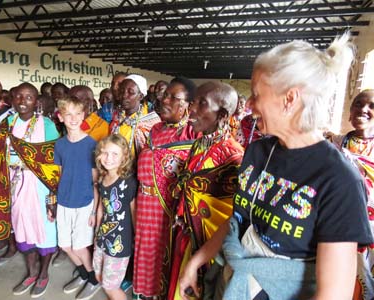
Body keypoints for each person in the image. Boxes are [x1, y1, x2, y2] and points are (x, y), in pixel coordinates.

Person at [179, 34, 373, 300]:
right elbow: (237, 220)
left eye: (257, 95)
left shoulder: (339, 180)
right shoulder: (259, 152)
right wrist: (196, 261)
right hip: (238, 284)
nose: (248, 105)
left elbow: (333, 294)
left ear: (289, 99)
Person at [168, 81, 244, 300]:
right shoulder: (200, 143)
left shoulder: (233, 156)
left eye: (202, 103)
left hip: (212, 252)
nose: (191, 109)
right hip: (188, 241)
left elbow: (233, 218)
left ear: (222, 114)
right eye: (193, 102)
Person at [133, 77, 199, 299]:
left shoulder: (192, 134)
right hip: (145, 203)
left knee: (164, 254)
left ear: (188, 105)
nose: (165, 100)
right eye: (165, 95)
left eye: (173, 97)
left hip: (168, 209)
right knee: (145, 251)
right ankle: (145, 293)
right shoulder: (156, 128)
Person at [0, 83, 60, 297]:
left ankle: (43, 274)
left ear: (36, 101)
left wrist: (54, 194)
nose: (23, 101)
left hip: (40, 185)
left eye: (29, 97)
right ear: (12, 99)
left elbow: (54, 160)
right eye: (19, 97)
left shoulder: (46, 124)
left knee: (44, 229)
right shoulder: (7, 124)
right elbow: (1, 157)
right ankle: (31, 272)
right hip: (14, 184)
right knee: (21, 228)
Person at [54, 96, 100, 300]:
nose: (73, 118)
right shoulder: (60, 145)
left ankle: (93, 280)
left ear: (83, 116)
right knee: (65, 245)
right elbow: (60, 174)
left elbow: (96, 181)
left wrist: (94, 210)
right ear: (60, 117)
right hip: (64, 201)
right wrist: (53, 204)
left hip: (84, 202)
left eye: (78, 114)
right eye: (68, 114)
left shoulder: (91, 144)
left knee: (80, 246)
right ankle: (83, 274)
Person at [330, 89, 374, 300]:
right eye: (358, 104)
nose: (363, 109)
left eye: (371, 106)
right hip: (337, 226)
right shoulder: (334, 145)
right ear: (350, 110)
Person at [93, 134, 137, 300]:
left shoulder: (129, 182)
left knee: (110, 286)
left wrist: (136, 239)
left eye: (115, 154)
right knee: (99, 276)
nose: (108, 158)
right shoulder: (103, 177)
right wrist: (97, 232)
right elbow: (102, 208)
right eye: (105, 153)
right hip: (102, 237)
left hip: (119, 243)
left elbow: (134, 212)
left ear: (124, 157)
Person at [110, 74, 160, 158]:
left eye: (131, 92)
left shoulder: (152, 122)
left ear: (140, 96)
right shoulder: (116, 116)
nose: (124, 95)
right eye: (122, 91)